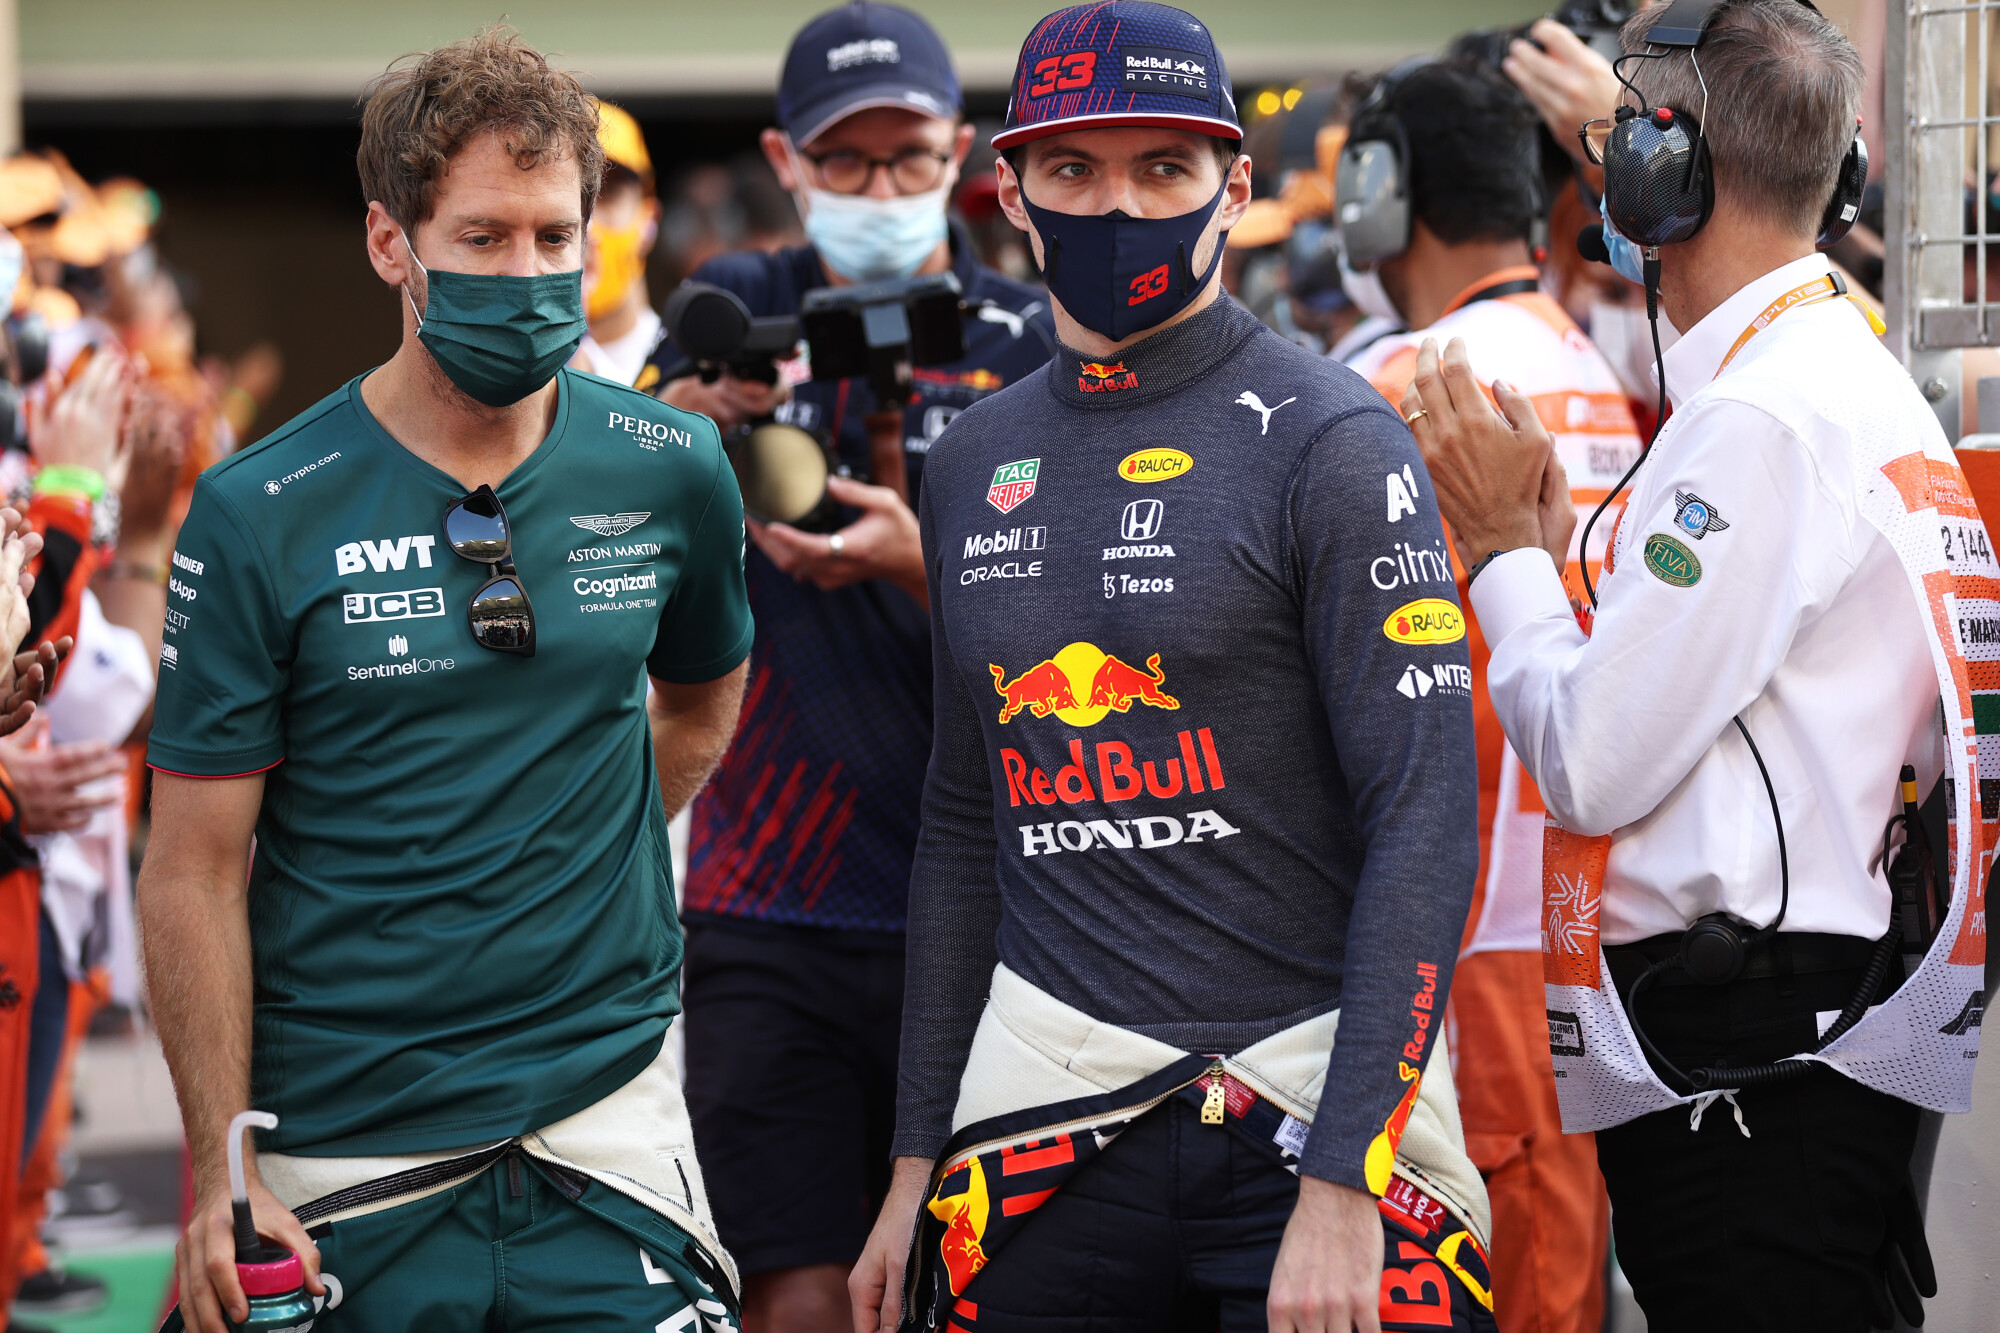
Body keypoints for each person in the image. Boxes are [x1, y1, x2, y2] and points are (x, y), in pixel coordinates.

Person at [849, 5, 1496, 1331]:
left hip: (1308, 1117)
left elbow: (1424, 817)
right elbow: (965, 826)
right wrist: (914, 1162)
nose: (1117, 205)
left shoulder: (1334, 436)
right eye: (1072, 169)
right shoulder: (969, 462)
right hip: (1044, 1113)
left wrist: (1346, 1175)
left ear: (1233, 186)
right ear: (1011, 192)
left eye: (1162, 168)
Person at [138, 29, 753, 1333]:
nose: (526, 274)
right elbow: (192, 868)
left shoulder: (673, 466)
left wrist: (565, 844)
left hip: (604, 1119)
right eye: (482, 237)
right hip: (347, 1135)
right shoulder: (258, 509)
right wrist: (219, 1171)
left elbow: (703, 699)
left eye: (553, 236)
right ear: (390, 243)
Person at [1405, 2, 1987, 1329]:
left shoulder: (1762, 416)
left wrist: (1499, 552)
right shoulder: (1813, 380)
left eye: (1620, 136)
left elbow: (1590, 762)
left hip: (1754, 1065)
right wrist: (1558, 565)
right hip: (1786, 1042)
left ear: (1658, 167)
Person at [653, 7, 1052, 1330]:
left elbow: (1106, 625)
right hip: (767, 903)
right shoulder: (729, 312)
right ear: (785, 159)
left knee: (987, 1286)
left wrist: (927, 566)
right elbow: (610, 534)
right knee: (798, 1295)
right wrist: (680, 428)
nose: (879, 189)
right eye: (843, 159)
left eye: (908, 156)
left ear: (963, 152)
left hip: (999, 901)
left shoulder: (1029, 335)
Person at [1333, 58, 1637, 1333]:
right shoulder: (1596, 364)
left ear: (1378, 190)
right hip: (1585, 915)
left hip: (1450, 932)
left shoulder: (1396, 385)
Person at [575, 100, 665, 390]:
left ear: (649, 220)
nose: (585, 226)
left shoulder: (690, 370)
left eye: (607, 193)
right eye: (568, 199)